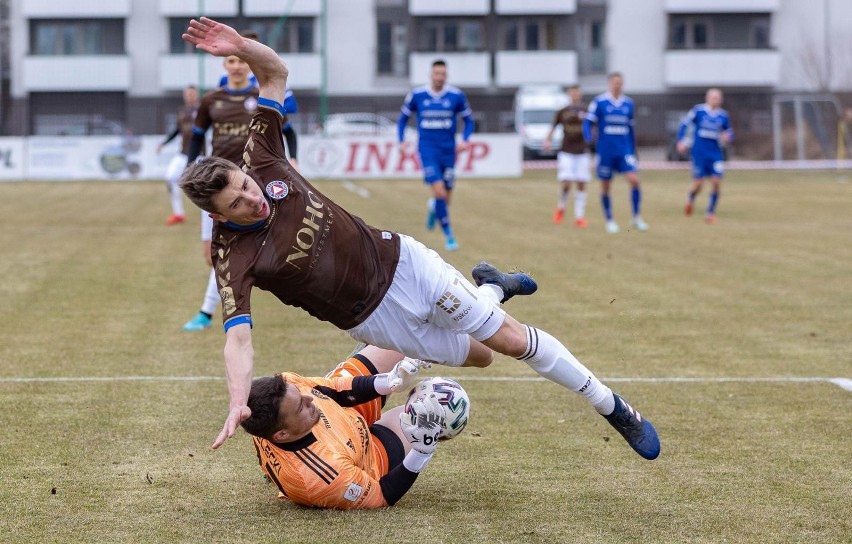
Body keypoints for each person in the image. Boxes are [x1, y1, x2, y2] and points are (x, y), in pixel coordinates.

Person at [180, 17, 660, 462]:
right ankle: (492, 287)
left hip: (404, 262)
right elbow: (238, 339)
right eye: (238, 203)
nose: (253, 197)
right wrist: (238, 401)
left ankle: (613, 406)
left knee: (511, 340)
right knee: (482, 356)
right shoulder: (232, 255)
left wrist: (242, 46)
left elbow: (276, 75)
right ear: (216, 215)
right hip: (375, 321)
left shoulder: (260, 157)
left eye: (246, 185)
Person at [244, 346, 445, 509]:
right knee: (443, 404)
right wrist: (421, 452)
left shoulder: (286, 389)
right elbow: (382, 495)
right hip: (367, 455)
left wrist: (389, 382)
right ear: (282, 434)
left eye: (300, 394)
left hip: (343, 410)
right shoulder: (326, 476)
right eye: (300, 407)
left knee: (403, 337)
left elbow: (330, 388)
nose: (309, 399)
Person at [181, 30, 261, 332]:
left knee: (231, 252)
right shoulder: (212, 100)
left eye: (242, 60)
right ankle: (213, 308)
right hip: (217, 187)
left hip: (251, 186)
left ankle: (207, 312)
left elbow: (284, 130)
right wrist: (190, 171)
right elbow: (197, 137)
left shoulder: (260, 96)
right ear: (224, 65)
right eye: (231, 61)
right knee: (211, 256)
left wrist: (292, 159)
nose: (237, 66)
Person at [397, 59, 474, 251]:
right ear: (431, 75)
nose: (439, 77)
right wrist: (401, 140)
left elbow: (469, 121)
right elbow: (402, 120)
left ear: (446, 76)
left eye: (443, 74)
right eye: (436, 73)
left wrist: (465, 139)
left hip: (449, 151)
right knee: (439, 191)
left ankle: (434, 207)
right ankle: (449, 236)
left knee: (445, 199)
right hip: (427, 149)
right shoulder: (417, 95)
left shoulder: (456, 96)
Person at [582, 72, 648, 234]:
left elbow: (631, 128)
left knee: (634, 180)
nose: (617, 85)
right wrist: (589, 139)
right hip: (606, 151)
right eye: (615, 82)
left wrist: (634, 149)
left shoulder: (628, 104)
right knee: (605, 186)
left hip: (624, 150)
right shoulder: (599, 102)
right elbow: (587, 123)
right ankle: (610, 220)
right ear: (609, 84)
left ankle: (636, 217)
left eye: (620, 83)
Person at [677, 88, 734, 224]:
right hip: (699, 153)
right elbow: (684, 124)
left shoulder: (723, 116)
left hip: (715, 154)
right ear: (707, 98)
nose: (716, 100)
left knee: (716, 182)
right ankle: (690, 198)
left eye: (718, 98)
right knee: (699, 184)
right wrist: (681, 141)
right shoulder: (698, 111)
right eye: (713, 97)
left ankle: (710, 213)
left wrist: (728, 137)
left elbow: (730, 132)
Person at [543, 85, 591, 228]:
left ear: (580, 94)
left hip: (582, 152)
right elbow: (553, 127)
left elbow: (594, 126)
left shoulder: (587, 110)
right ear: (569, 95)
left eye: (577, 93)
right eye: (573, 93)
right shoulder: (562, 111)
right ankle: (561, 207)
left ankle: (579, 217)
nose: (575, 95)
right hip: (566, 152)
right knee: (567, 183)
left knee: (581, 183)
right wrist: (547, 140)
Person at [156, 85, 200, 226]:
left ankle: (208, 218)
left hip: (200, 154)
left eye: (192, 94)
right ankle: (179, 214)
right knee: (170, 178)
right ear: (184, 95)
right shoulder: (182, 111)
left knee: (204, 186)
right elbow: (176, 130)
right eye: (188, 94)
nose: (190, 96)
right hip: (183, 153)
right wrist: (163, 143)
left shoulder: (202, 110)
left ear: (197, 95)